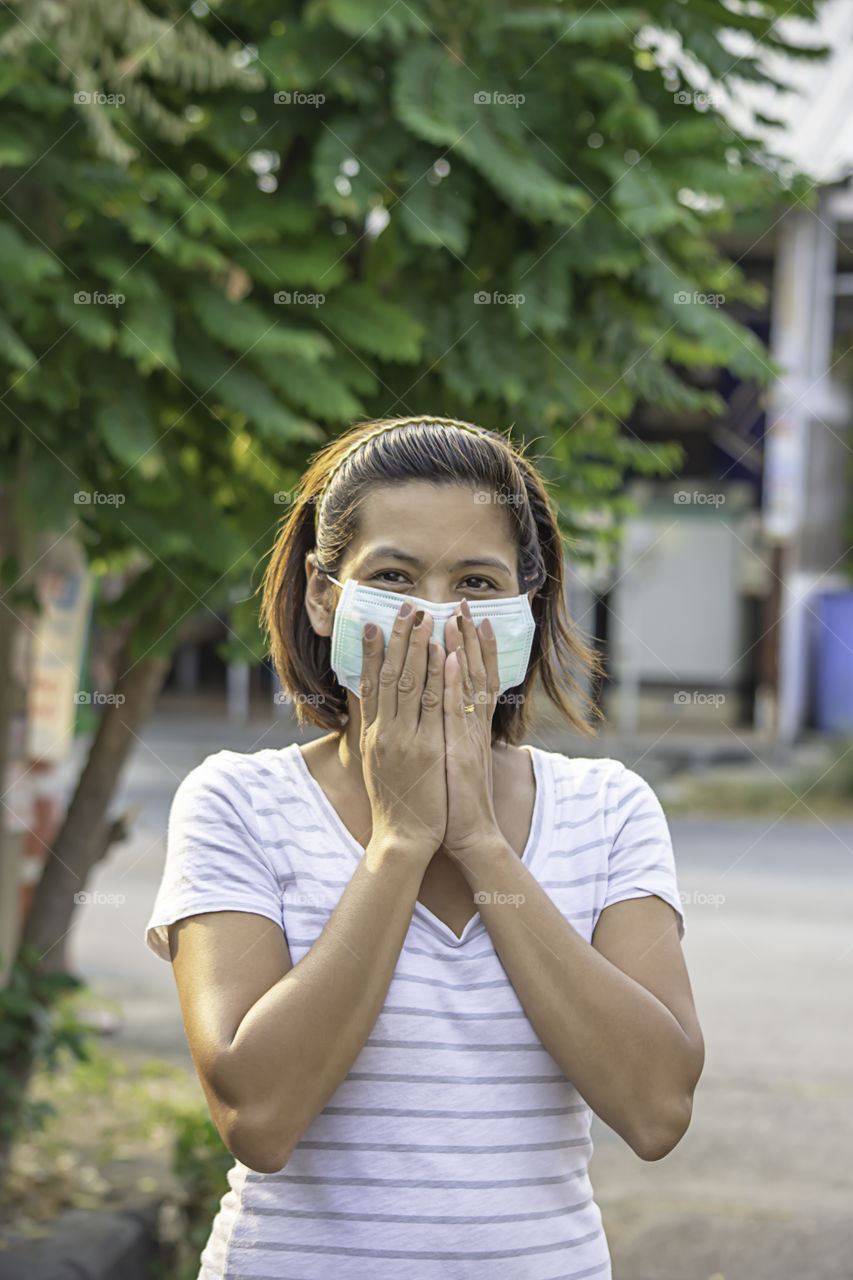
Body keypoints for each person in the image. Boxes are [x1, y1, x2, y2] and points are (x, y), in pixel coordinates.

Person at [144, 414, 704, 1280]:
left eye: (476, 582)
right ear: (324, 595)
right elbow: (260, 1116)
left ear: (526, 604)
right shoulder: (238, 803)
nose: (434, 615)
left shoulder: (607, 808)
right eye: (394, 576)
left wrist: (478, 840)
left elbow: (656, 1108)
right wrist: (399, 843)